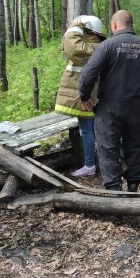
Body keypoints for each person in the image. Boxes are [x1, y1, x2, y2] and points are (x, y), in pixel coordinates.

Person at [79, 10, 140, 192]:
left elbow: (87, 73)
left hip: (110, 106)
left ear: (114, 25)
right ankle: (133, 186)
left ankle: (114, 190)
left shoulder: (106, 46)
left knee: (108, 148)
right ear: (131, 25)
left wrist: (84, 97)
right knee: (136, 147)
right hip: (137, 107)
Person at [55, 15, 106, 177]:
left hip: (86, 95)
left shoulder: (88, 48)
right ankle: (94, 162)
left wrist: (75, 26)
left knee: (87, 129)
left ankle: (90, 165)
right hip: (90, 93)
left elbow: (72, 48)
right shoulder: (97, 45)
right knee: (89, 129)